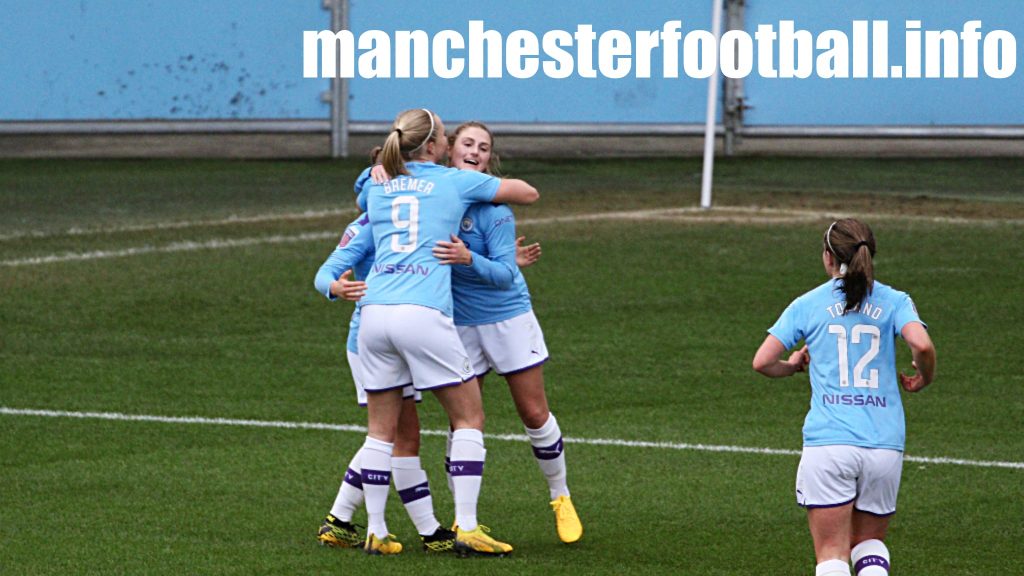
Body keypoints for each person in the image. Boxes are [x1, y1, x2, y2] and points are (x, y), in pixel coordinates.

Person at [355, 108, 539, 556]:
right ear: (438, 147)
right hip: (422, 313)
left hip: (373, 313)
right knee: (468, 417)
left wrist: (378, 169)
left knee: (380, 431)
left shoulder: (376, 184)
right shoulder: (449, 181)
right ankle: (469, 527)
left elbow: (363, 194)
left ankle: (376, 530)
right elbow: (526, 194)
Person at [752, 219, 936, 576]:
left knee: (832, 555)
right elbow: (922, 343)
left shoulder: (808, 304)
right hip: (884, 445)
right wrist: (924, 375)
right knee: (869, 545)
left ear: (828, 257)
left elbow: (762, 361)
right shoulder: (895, 301)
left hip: (829, 444)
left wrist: (792, 366)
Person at [430, 121, 582, 544]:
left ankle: (560, 496)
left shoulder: (496, 211)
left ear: (489, 159)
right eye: (467, 143)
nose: (475, 150)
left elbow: (502, 277)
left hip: (507, 318)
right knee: (462, 421)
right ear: (448, 151)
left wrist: (467, 260)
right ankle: (464, 521)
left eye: (483, 146)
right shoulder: (436, 199)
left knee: (533, 413)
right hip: (458, 323)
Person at [313, 206, 455, 554]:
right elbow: (325, 272)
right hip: (374, 344)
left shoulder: (407, 213)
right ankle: (428, 532)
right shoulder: (372, 222)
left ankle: (341, 520)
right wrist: (336, 287)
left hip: (393, 339)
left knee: (395, 434)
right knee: (392, 435)